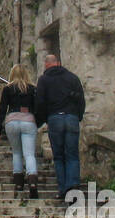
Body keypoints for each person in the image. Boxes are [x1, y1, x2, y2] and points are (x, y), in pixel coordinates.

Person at [37, 54, 86, 200]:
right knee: (72, 154)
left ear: (46, 64)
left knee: (58, 156)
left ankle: (63, 188)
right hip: (71, 118)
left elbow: (39, 102)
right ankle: (73, 185)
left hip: (55, 118)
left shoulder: (44, 80)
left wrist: (43, 119)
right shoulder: (72, 78)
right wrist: (78, 116)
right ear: (58, 63)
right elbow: (81, 99)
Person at [0, 64, 39, 197]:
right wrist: (37, 121)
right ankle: (32, 182)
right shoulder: (33, 89)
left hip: (12, 120)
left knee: (16, 153)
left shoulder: (7, 88)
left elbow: (2, 109)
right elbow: (37, 107)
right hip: (28, 120)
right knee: (29, 154)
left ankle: (19, 183)